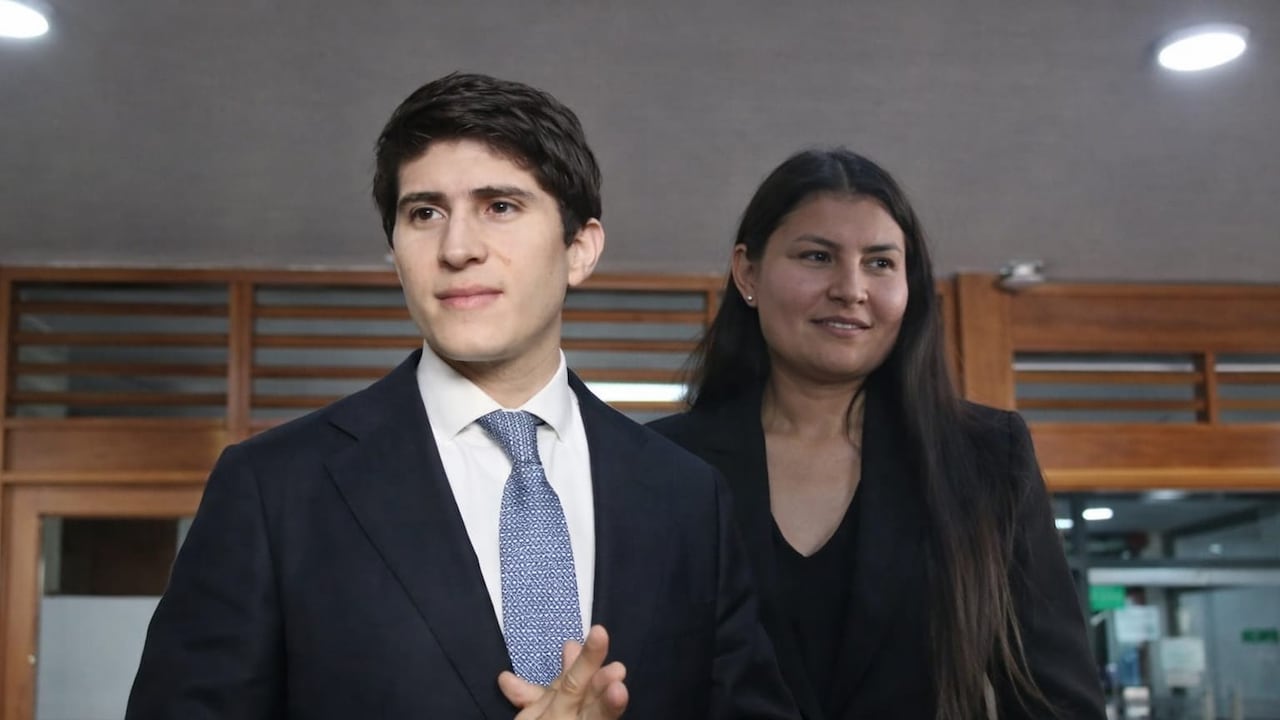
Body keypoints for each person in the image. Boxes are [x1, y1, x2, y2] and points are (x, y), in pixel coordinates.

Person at [125, 72, 798, 720]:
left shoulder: (686, 496)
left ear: (579, 248)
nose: (457, 247)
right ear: (395, 251)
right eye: (425, 213)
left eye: (500, 207)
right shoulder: (274, 490)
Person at [650, 148, 1108, 720]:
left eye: (880, 263)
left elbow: (1057, 703)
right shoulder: (665, 465)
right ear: (748, 273)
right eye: (818, 256)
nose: (851, 288)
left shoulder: (986, 456)